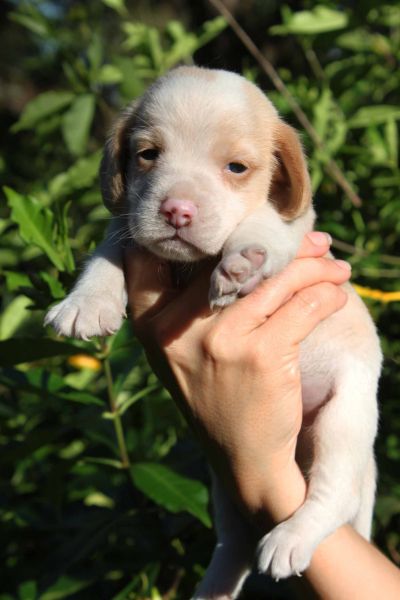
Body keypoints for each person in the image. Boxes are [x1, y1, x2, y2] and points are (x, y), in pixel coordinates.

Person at [125, 231, 400, 599]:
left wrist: (269, 481)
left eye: (236, 167)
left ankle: (324, 508)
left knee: (344, 410)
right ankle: (231, 551)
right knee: (224, 449)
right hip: (258, 370)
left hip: (336, 367)